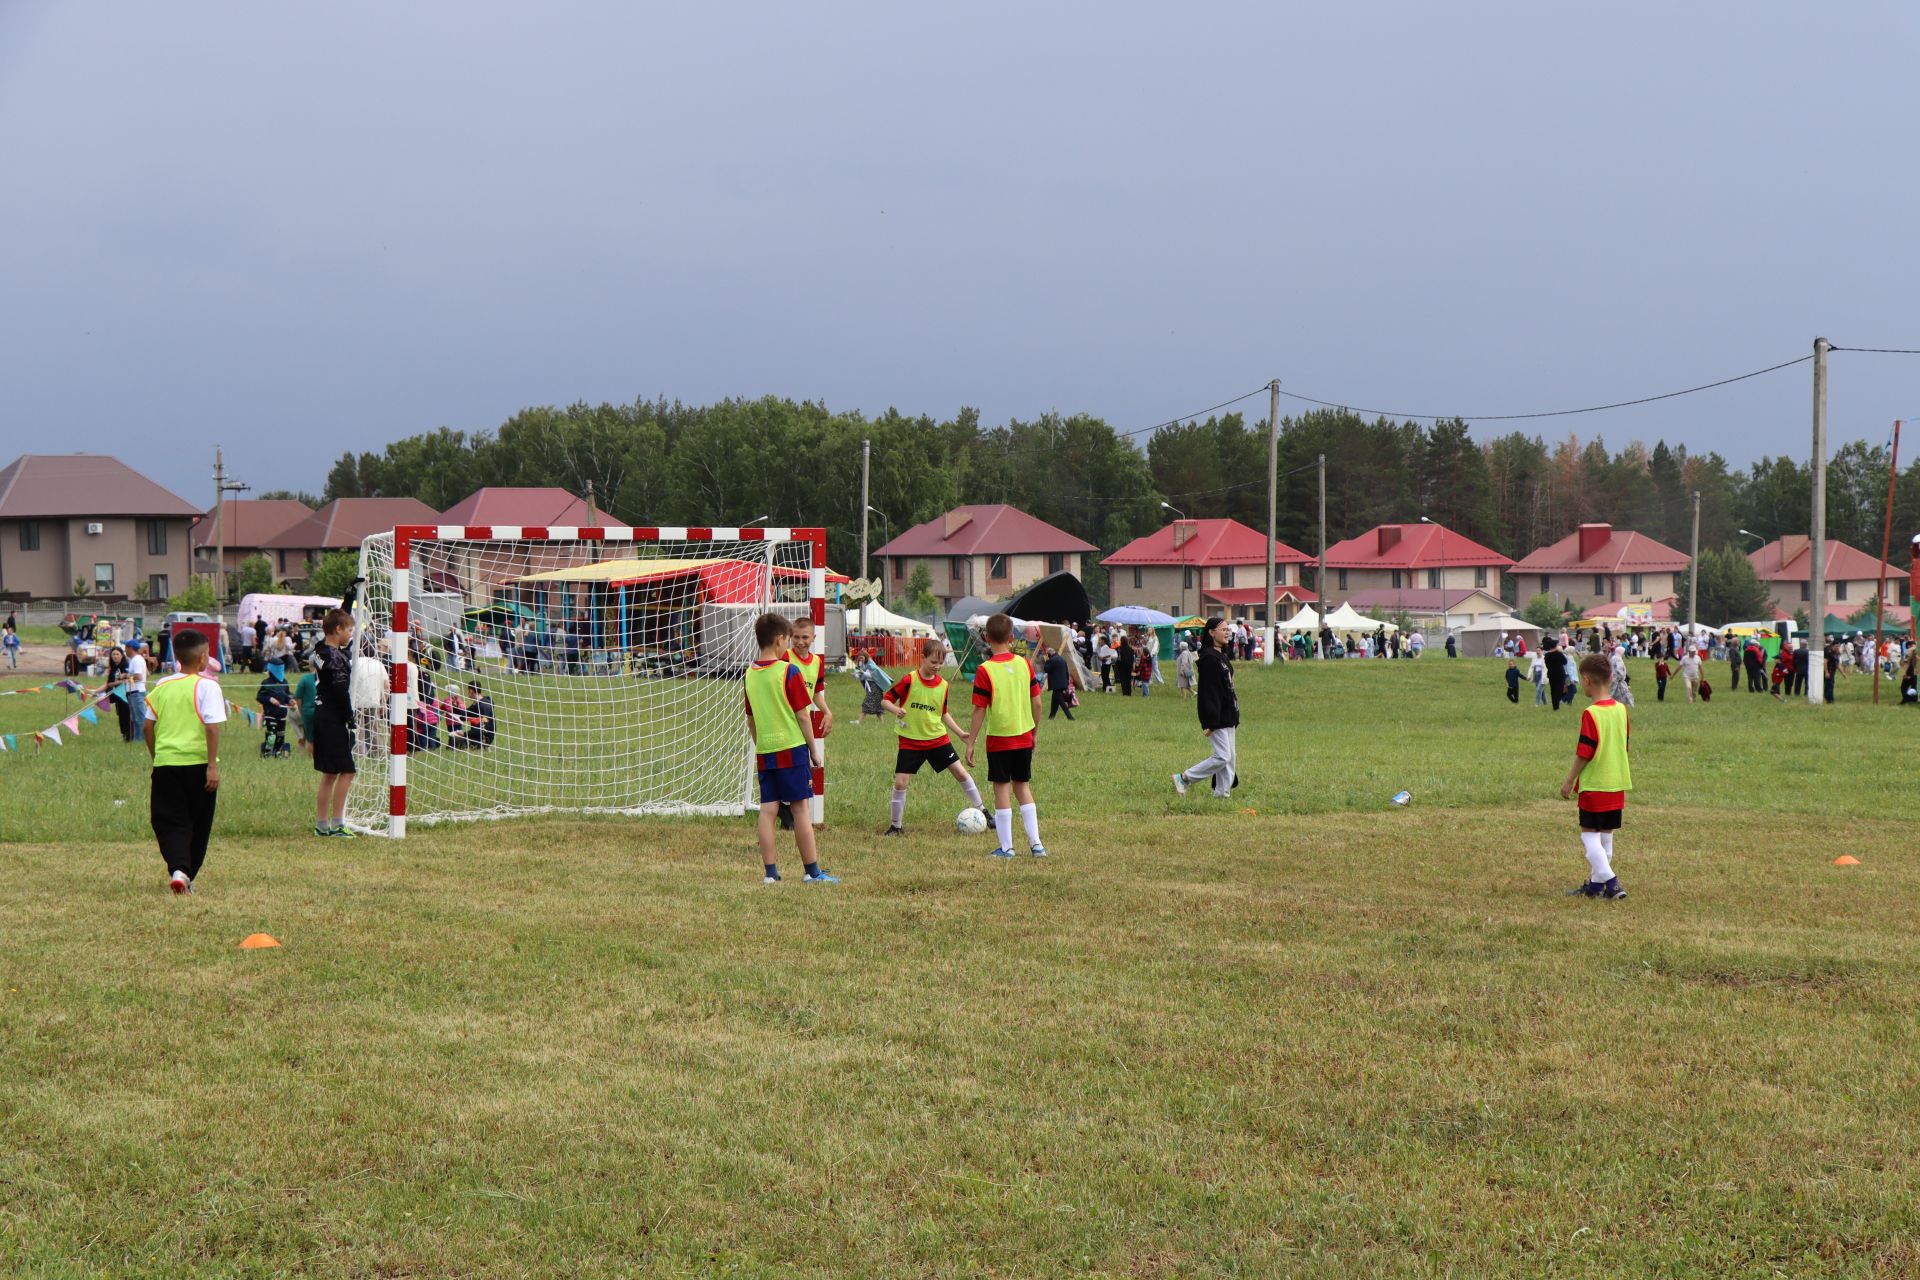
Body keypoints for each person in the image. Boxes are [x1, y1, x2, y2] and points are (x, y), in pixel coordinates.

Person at [743, 612, 832, 883]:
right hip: (791, 748)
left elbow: (750, 718)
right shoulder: (788, 670)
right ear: (781, 639)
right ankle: (812, 872)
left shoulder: (749, 673)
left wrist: (761, 744)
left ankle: (770, 874)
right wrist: (813, 750)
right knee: (800, 808)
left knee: (768, 810)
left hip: (766, 750)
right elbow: (803, 715)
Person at [142, 628, 225, 895]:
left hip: (166, 764)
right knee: (199, 823)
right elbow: (212, 728)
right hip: (198, 764)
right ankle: (186, 873)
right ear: (203, 657)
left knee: (168, 820)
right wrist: (212, 766)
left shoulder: (162, 685)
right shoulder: (207, 686)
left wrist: (157, 756)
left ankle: (178, 869)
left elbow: (147, 726)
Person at [881, 637, 985, 836]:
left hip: (937, 739)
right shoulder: (909, 680)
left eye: (940, 663)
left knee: (961, 773)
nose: (937, 667)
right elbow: (885, 700)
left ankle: (983, 811)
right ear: (923, 658)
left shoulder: (943, 685)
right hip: (910, 741)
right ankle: (896, 826)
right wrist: (896, 709)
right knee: (901, 782)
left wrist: (961, 733)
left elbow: (943, 712)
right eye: (933, 662)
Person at [965, 613, 1046, 859]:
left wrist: (971, 742)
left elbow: (980, 709)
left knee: (1002, 789)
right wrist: (1033, 732)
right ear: (1012, 638)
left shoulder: (985, 670)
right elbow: (1038, 703)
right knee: (1023, 787)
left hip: (999, 739)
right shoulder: (1025, 664)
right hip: (1023, 736)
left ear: (987, 638)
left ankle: (1007, 848)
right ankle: (1036, 845)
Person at [1560, 653, 1629, 901]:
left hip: (1595, 783)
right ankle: (1594, 886)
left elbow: (1584, 752)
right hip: (1617, 782)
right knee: (1606, 836)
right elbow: (1624, 745)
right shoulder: (1621, 710)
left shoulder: (1591, 713)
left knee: (1589, 835)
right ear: (1610, 677)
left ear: (1587, 680)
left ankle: (1611, 882)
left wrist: (1569, 780)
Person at [1173, 616, 1239, 800]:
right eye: (1223, 629)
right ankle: (1184, 778)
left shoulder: (1221, 656)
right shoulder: (1209, 658)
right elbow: (1209, 693)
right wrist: (1210, 721)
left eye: (1228, 629)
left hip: (1228, 714)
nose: (1227, 632)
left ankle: (1221, 795)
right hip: (1216, 716)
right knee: (1223, 757)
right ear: (1211, 632)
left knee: (1230, 758)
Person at [777, 615, 833, 831]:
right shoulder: (784, 658)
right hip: (784, 721)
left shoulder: (817, 662)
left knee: (799, 768)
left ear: (813, 637)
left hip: (802, 723)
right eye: (796, 637)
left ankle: (786, 811)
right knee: (791, 767)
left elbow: (817, 692)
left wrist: (827, 712)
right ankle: (787, 811)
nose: (800, 642)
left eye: (805, 637)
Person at [311, 608, 358, 838]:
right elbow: (340, 689)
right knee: (347, 771)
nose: (351, 633)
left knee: (330, 773)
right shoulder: (335, 658)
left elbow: (335, 619)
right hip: (333, 718)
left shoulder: (320, 649)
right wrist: (350, 716)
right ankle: (338, 824)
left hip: (321, 715)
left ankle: (322, 825)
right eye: (349, 629)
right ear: (338, 630)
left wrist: (348, 598)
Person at [256, 660, 292, 757]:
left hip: (282, 714)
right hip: (270, 714)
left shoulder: (285, 682)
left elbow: (287, 696)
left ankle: (278, 751)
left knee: (280, 735)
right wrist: (270, 699)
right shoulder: (266, 683)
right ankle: (267, 751)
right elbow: (259, 697)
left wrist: (290, 701)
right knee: (271, 735)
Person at [852, 648, 890, 724]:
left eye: (862, 658)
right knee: (878, 704)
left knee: (867, 702)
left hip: (875, 686)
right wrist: (856, 674)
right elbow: (858, 673)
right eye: (859, 658)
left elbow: (872, 675)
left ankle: (859, 721)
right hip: (870, 686)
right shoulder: (861, 663)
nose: (861, 659)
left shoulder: (871, 664)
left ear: (865, 656)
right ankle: (882, 723)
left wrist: (862, 672)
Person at [1042, 643, 1074, 720]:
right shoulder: (1061, 659)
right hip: (1062, 683)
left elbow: (1046, 669)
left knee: (1061, 702)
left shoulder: (1052, 660)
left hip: (1056, 685)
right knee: (1054, 701)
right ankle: (1051, 716)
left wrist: (1046, 660)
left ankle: (1070, 717)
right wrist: (1066, 683)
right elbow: (1066, 672)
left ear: (1049, 654)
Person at [293, 663, 318, 758]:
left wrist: (301, 711)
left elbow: (298, 697)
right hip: (324, 711)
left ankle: (311, 759)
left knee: (310, 739)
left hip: (308, 712)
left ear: (311, 666)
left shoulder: (305, 678)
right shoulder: (327, 677)